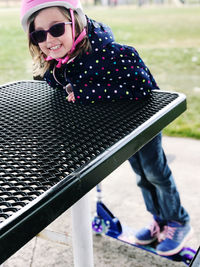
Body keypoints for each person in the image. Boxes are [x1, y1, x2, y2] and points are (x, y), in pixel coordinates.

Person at [20, 0, 193, 256]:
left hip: (142, 123)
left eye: (57, 29)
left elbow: (141, 85)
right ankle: (159, 220)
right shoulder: (60, 61)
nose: (48, 38)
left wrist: (85, 92)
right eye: (38, 34)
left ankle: (177, 221)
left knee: (155, 173)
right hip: (121, 130)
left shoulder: (111, 53)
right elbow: (60, 88)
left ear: (76, 22)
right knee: (142, 177)